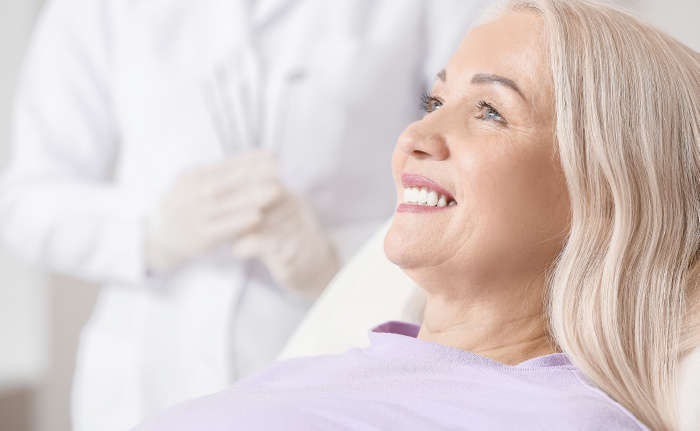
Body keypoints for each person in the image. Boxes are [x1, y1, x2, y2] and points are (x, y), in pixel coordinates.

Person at [132, 0, 700, 430]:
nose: (416, 136)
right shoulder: (308, 374)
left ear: (602, 193)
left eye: (490, 112)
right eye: (433, 102)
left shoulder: (562, 420)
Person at [0, 0, 491, 430]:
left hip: (330, 362)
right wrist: (148, 230)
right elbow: (24, 202)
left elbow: (476, 183)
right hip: (142, 381)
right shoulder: (97, 8)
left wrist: (334, 259)